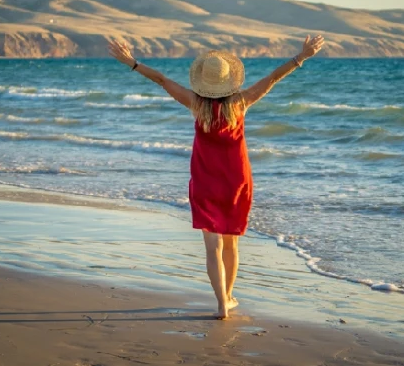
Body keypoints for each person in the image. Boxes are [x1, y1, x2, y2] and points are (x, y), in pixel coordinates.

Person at [108, 35, 324, 319]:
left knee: (213, 247)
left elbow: (161, 80)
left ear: (203, 81)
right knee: (232, 242)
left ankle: (222, 302)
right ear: (228, 80)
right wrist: (301, 57)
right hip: (236, 179)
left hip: (205, 178)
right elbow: (272, 78)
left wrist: (132, 63)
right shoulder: (241, 102)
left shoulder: (195, 103)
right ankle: (229, 297)